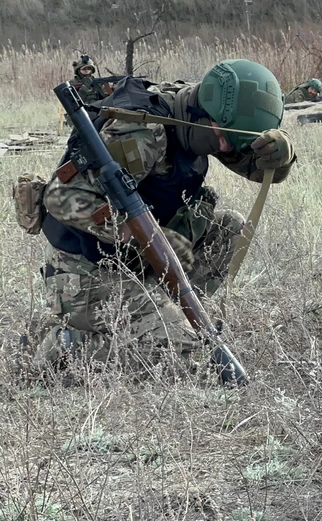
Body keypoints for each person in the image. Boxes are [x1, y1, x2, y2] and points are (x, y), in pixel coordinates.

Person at [35, 59, 297, 378]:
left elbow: (255, 166)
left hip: (138, 261)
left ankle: (177, 317)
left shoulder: (198, 114)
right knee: (178, 356)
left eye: (231, 139)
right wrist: (138, 232)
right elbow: (59, 197)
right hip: (85, 273)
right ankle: (70, 346)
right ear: (205, 115)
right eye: (223, 137)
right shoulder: (143, 133)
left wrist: (281, 157)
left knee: (230, 228)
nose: (226, 147)